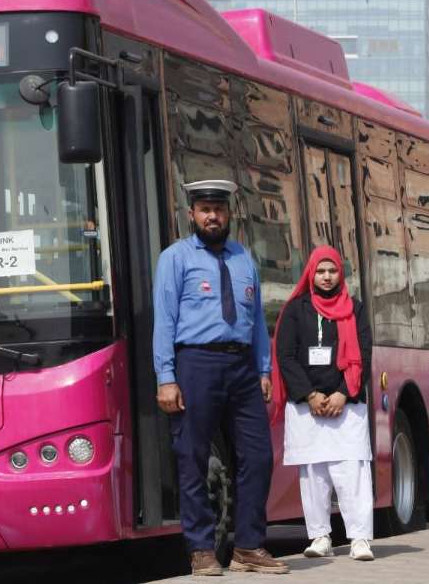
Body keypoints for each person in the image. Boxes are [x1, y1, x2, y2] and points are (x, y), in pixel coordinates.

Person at [152, 179, 288, 577]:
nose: (213, 216)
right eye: (205, 210)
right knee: (192, 457)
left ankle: (248, 546)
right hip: (196, 363)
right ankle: (201, 549)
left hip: (242, 367)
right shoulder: (175, 258)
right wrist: (166, 377)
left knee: (258, 455)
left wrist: (263, 369)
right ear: (191, 214)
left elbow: (257, 321)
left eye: (219, 209)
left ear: (229, 214)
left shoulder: (243, 258)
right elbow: (164, 321)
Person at [272, 246, 375, 561]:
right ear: (311, 274)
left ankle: (359, 539)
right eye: (320, 271)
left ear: (340, 274)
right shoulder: (295, 310)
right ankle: (320, 537)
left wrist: (343, 393)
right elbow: (285, 356)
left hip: (347, 406)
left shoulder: (355, 309)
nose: (327, 277)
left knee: (352, 473)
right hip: (309, 408)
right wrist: (310, 395)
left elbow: (364, 355)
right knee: (314, 476)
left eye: (332, 271)